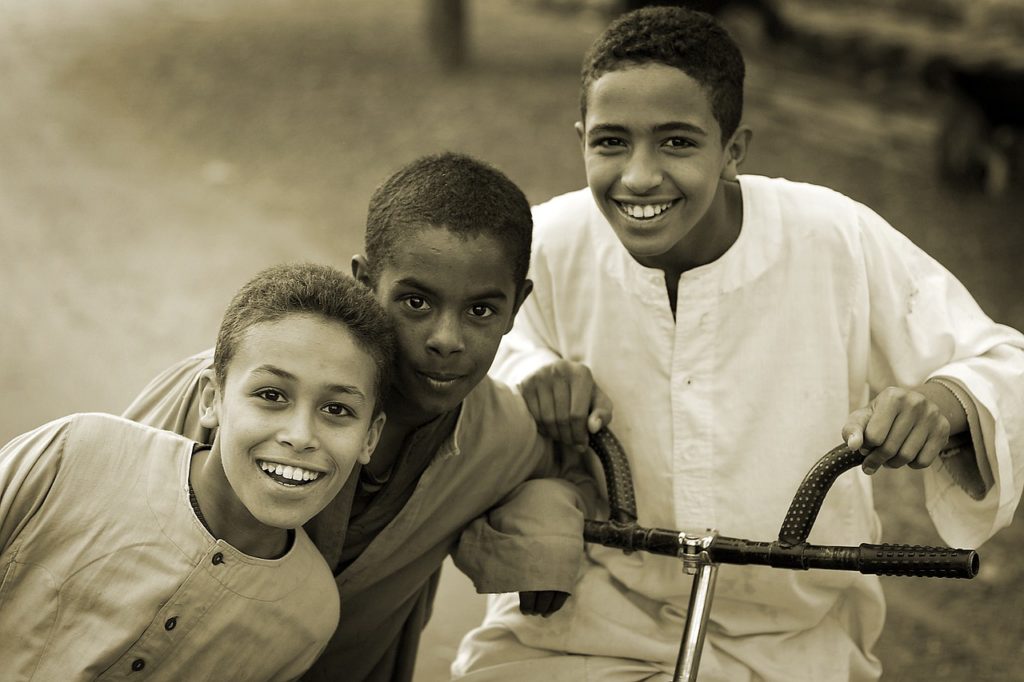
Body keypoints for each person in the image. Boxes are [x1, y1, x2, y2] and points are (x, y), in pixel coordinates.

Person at [452, 7, 1024, 682]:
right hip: (576, 625)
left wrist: (942, 402)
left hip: (791, 637)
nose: (639, 176)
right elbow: (462, 359)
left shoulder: (831, 237)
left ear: (734, 150)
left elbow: (1000, 363)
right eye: (610, 142)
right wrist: (533, 375)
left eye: (677, 143)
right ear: (580, 139)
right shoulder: (544, 243)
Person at [122, 153, 596, 682]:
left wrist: (544, 527)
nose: (446, 339)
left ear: (517, 306)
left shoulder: (502, 433)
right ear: (366, 281)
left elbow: (564, 471)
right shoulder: (237, 392)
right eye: (416, 302)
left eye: (481, 310)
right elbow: (100, 507)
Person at [0, 262, 395, 681]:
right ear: (212, 399)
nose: (300, 436)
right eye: (271, 395)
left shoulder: (311, 613)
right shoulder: (77, 455)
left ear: (370, 438)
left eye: (337, 410)